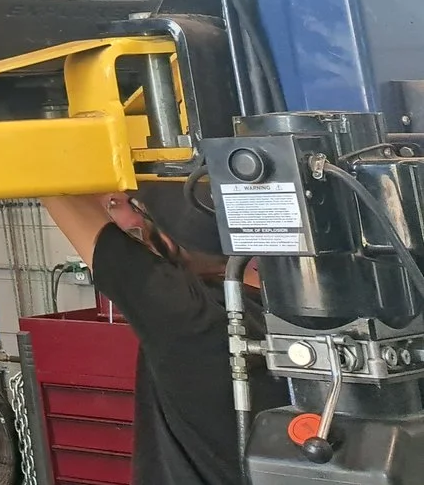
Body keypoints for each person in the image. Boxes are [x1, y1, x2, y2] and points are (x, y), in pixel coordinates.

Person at [42, 191, 286, 485]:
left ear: (170, 237)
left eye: (123, 203)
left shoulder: (191, 315)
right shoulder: (299, 317)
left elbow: (53, 189)